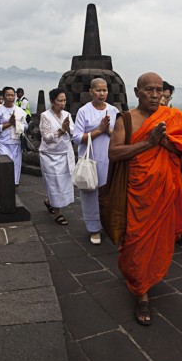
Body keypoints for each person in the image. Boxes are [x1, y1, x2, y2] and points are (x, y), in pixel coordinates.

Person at [109, 72, 182, 326]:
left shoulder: (173, 118)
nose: (155, 95)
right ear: (137, 92)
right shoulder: (126, 120)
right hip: (137, 195)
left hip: (165, 193)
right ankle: (142, 294)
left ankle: (146, 279)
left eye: (159, 90)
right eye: (149, 90)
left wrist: (165, 141)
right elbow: (114, 153)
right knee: (136, 243)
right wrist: (149, 143)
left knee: (159, 244)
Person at [72, 78, 119, 244]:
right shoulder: (84, 111)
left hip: (109, 160)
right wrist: (99, 130)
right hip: (91, 160)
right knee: (90, 194)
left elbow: (118, 136)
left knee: (109, 195)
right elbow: (77, 138)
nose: (102, 93)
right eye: (98, 90)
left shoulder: (113, 110)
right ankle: (94, 229)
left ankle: (109, 225)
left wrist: (109, 130)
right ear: (91, 92)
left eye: (105, 90)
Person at [39, 88, 75, 226]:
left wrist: (68, 129)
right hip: (50, 155)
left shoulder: (66, 114)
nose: (62, 103)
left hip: (64, 153)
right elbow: (46, 137)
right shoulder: (45, 116)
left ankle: (49, 202)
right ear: (52, 101)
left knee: (64, 183)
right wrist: (61, 130)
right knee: (54, 184)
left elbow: (73, 130)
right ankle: (57, 213)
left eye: (64, 100)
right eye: (60, 100)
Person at [0, 87, 28, 185]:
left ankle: (15, 183)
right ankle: (5, 184)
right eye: (8, 95)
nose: (10, 97)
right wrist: (9, 123)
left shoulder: (19, 110)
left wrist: (17, 124)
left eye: (12, 95)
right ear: (3, 97)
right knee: (5, 163)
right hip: (3, 142)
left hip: (16, 141)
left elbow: (26, 126)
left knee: (16, 164)